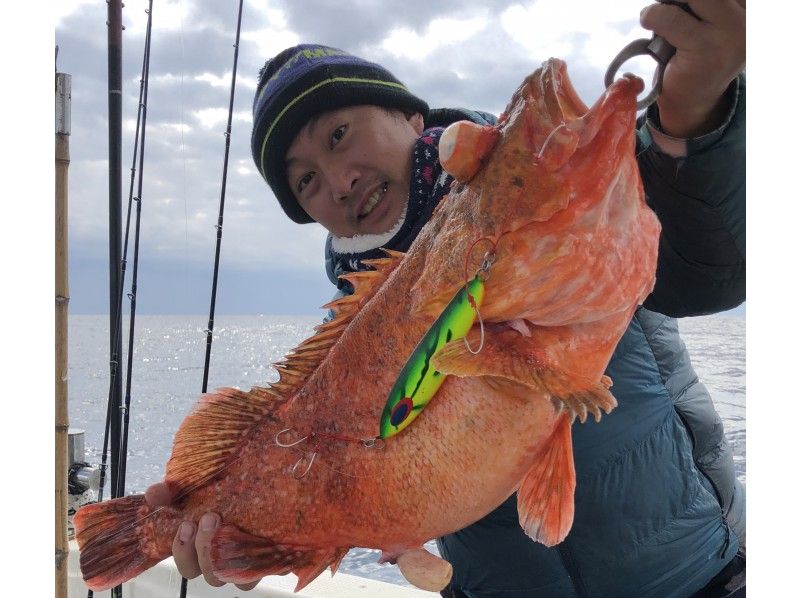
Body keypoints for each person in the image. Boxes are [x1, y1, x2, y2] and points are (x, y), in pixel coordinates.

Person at [146, 1, 746, 595]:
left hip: (697, 571)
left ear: (411, 117)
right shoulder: (350, 346)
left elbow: (706, 270)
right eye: (306, 181)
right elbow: (386, 483)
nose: (339, 180)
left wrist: (693, 114)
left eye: (338, 135)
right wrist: (247, 537)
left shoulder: (555, 211)